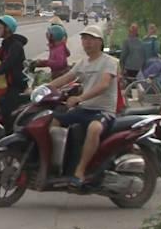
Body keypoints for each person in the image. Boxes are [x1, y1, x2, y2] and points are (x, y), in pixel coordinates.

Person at [48, 25, 119, 187]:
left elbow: (103, 85)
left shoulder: (109, 62)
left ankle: (80, 171)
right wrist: (44, 88)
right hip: (84, 108)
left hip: (103, 111)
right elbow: (66, 77)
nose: (87, 42)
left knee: (94, 128)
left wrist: (80, 98)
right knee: (54, 120)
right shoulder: (83, 63)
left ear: (100, 42)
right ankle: (56, 164)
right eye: (84, 39)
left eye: (91, 39)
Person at [0, 15, 28, 124]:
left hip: (16, 84)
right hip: (6, 82)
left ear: (7, 29)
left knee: (8, 112)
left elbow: (8, 63)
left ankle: (9, 132)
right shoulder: (6, 44)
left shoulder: (15, 45)